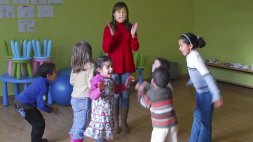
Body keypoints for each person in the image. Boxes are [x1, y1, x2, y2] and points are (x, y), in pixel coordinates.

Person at [178, 32, 224, 142]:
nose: (179, 48)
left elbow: (208, 77)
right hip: (200, 93)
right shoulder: (189, 56)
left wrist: (216, 95)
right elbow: (196, 73)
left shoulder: (195, 57)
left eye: (181, 46)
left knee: (205, 121)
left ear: (190, 46)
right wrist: (192, 81)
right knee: (198, 116)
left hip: (208, 94)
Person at [102, 1, 139, 134]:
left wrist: (134, 35)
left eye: (124, 11)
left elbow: (135, 48)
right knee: (115, 96)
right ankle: (115, 122)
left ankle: (124, 122)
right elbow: (106, 48)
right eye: (118, 11)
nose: (121, 14)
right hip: (112, 67)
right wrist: (112, 35)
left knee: (125, 95)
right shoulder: (109, 27)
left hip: (127, 66)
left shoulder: (130, 27)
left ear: (126, 13)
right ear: (114, 14)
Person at [84, 56, 134, 142]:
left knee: (106, 136)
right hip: (99, 117)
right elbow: (92, 95)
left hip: (108, 113)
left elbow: (117, 90)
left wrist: (125, 84)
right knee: (100, 137)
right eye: (108, 67)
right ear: (99, 70)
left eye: (111, 66)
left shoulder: (110, 80)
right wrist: (99, 89)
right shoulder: (96, 80)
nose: (111, 69)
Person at [14, 63, 58, 142]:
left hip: (20, 103)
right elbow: (41, 105)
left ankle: (37, 140)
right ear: (48, 75)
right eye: (54, 72)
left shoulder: (40, 80)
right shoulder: (43, 87)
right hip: (24, 106)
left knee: (38, 120)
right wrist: (51, 109)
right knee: (38, 123)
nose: (56, 73)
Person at [135, 67, 178, 142]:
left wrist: (140, 90)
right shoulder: (168, 90)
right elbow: (158, 89)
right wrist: (148, 85)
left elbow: (142, 102)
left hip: (160, 127)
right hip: (173, 124)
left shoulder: (150, 94)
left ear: (153, 81)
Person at [69, 41, 94, 142]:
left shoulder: (74, 67)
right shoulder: (90, 66)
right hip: (84, 99)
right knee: (81, 127)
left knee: (76, 122)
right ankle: (75, 139)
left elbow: (71, 82)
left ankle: (72, 136)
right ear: (88, 52)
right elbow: (91, 83)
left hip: (74, 98)